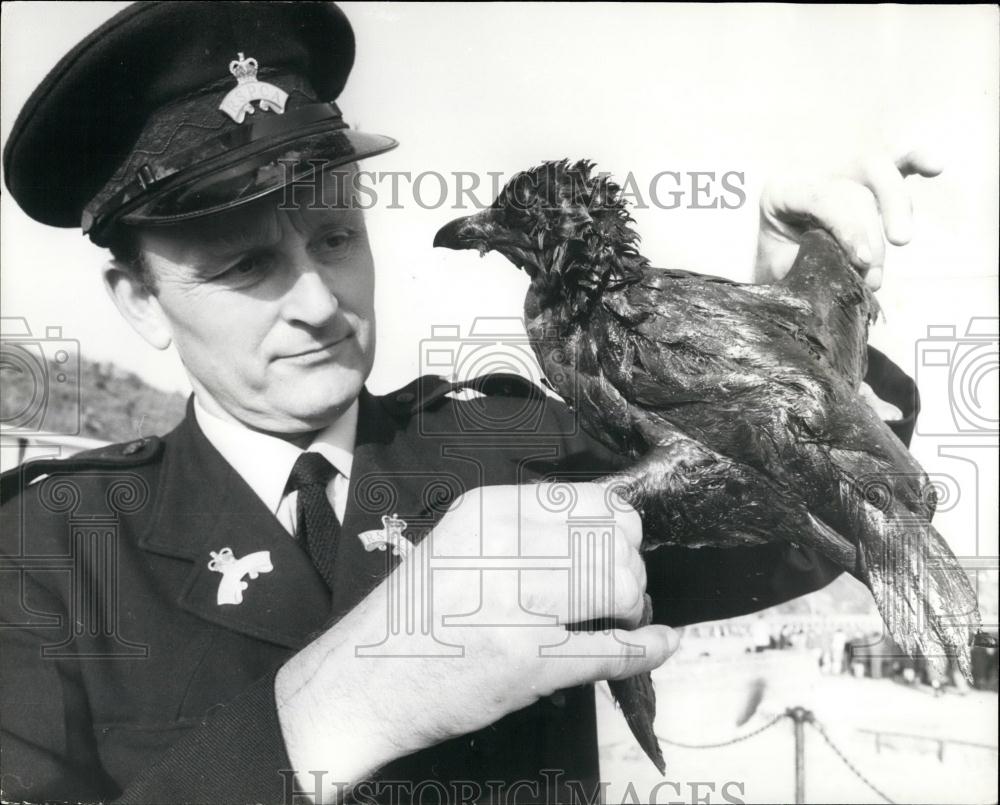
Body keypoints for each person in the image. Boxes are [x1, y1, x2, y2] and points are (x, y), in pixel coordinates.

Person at [0, 3, 933, 803]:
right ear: (139, 301)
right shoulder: (50, 548)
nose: (321, 302)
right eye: (246, 264)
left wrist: (795, 329)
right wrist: (336, 704)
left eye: (335, 236)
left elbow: (801, 534)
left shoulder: (519, 440)